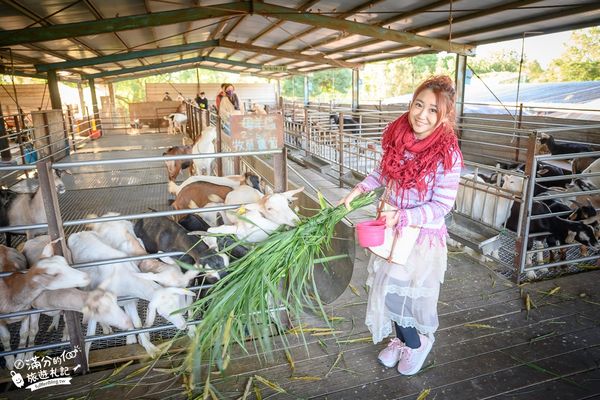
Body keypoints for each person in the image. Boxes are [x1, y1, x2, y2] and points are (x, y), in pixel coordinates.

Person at [340, 75, 463, 376]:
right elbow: (383, 174)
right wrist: (360, 189)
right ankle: (400, 339)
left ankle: (417, 342)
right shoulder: (400, 140)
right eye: (418, 105)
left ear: (445, 116)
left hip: (420, 237)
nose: (422, 114)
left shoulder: (448, 156)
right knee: (387, 290)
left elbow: (442, 206)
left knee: (403, 293)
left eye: (433, 110)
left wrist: (405, 216)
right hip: (391, 231)